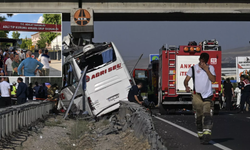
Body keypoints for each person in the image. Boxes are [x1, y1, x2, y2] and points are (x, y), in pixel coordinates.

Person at [184, 53, 216, 144]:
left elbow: (213, 79)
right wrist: (186, 86)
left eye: (204, 62)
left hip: (208, 96)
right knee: (199, 116)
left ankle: (207, 134)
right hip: (197, 95)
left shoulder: (210, 68)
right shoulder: (193, 69)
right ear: (199, 59)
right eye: (201, 61)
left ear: (207, 62)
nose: (202, 63)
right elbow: (186, 80)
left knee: (207, 115)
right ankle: (200, 132)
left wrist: (207, 70)